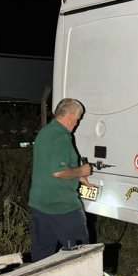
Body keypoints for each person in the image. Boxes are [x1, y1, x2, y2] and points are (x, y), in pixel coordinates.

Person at [28, 98, 94, 261]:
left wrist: (79, 177)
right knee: (81, 254)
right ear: (71, 116)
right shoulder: (60, 136)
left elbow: (48, 166)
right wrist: (83, 170)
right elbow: (59, 172)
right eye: (78, 119)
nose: (76, 124)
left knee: (43, 257)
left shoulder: (45, 132)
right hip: (62, 206)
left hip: (40, 204)